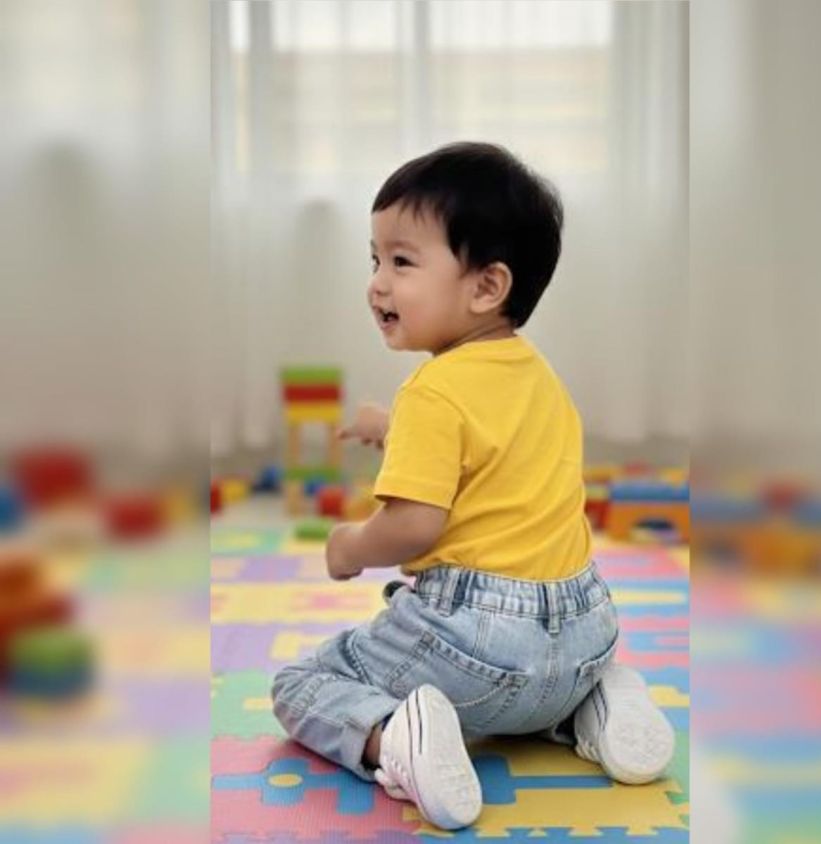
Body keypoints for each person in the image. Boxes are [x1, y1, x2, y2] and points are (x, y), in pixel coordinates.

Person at [271, 142, 674, 830]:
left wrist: (349, 545)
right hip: (585, 638)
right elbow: (489, 455)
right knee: (530, 689)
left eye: (402, 262)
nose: (377, 284)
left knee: (300, 684)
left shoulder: (433, 390)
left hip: (477, 650)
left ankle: (394, 740)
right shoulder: (538, 379)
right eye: (374, 260)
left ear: (486, 287)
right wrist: (390, 427)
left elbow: (414, 526)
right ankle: (595, 704)